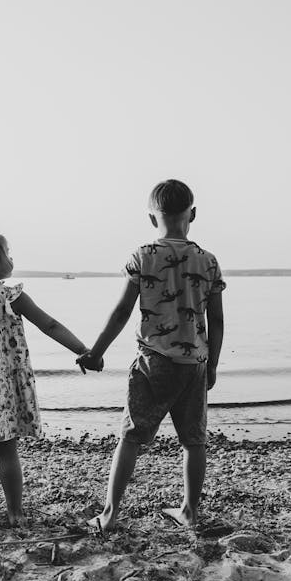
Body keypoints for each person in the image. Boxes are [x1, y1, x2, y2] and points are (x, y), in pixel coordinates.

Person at [77, 179, 225, 530]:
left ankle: (110, 515)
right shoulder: (208, 261)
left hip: (154, 362)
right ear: (193, 214)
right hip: (194, 364)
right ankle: (189, 512)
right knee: (193, 440)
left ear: (151, 218)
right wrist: (213, 365)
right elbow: (216, 320)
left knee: (131, 436)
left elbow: (121, 312)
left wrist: (96, 353)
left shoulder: (143, 256)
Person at [0, 215, 100, 526]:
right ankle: (14, 513)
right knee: (6, 452)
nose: (12, 258)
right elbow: (49, 325)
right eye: (8, 252)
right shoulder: (10, 295)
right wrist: (83, 350)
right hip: (4, 388)